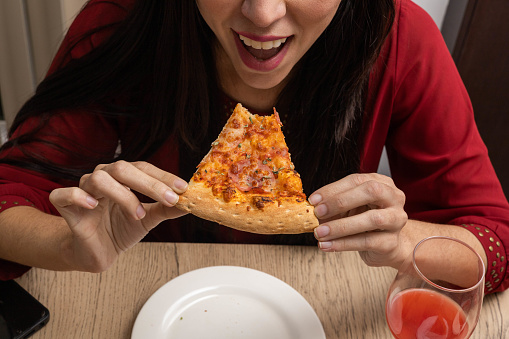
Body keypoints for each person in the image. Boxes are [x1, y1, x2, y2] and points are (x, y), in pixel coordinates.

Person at [0, 0, 507, 294]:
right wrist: (67, 244)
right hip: (146, 296)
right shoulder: (124, 20)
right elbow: (9, 194)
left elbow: (496, 239)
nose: (262, 14)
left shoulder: (401, 38)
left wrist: (403, 244)